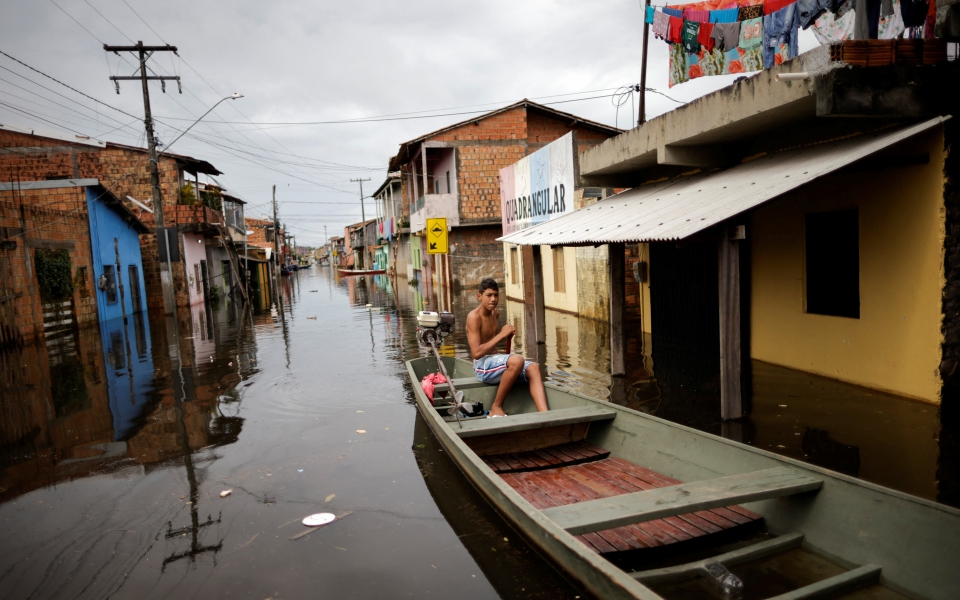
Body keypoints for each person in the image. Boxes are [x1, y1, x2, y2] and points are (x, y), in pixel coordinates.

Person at [466, 278, 549, 417]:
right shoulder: (473, 317)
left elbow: (499, 352)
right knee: (517, 360)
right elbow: (476, 353)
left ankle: (545, 415)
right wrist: (501, 335)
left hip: (494, 362)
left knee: (533, 367)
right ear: (479, 296)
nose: (493, 299)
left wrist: (507, 338)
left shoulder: (495, 313)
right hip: (481, 366)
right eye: (489, 295)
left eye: (496, 295)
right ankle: (496, 407)